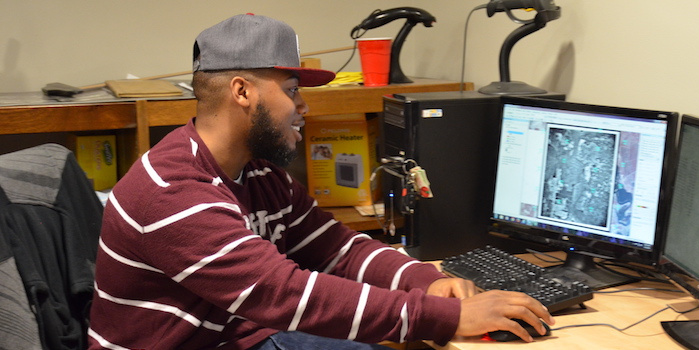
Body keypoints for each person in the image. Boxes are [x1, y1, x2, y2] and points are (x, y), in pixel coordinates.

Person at [87, 13, 553, 350]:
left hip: (241, 335)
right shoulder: (172, 190)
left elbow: (339, 250)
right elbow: (281, 293)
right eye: (292, 91)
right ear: (242, 92)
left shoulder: (258, 171)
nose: (303, 106)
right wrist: (446, 317)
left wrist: (425, 281)